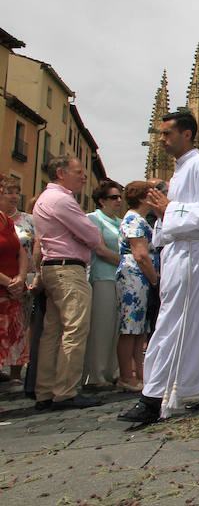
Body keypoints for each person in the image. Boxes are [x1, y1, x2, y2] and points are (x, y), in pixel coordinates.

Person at [118, 111, 199, 424]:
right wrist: (165, 212)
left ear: (186, 134)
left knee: (174, 321)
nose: (161, 139)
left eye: (167, 133)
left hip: (190, 253)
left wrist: (168, 209)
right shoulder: (179, 173)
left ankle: (152, 398)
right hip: (180, 251)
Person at [32, 156, 118, 410]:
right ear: (60, 173)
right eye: (78, 172)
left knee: (53, 333)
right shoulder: (61, 199)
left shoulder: (45, 198)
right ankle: (66, 391)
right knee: (74, 330)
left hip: (53, 268)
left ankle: (45, 391)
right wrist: (86, 237)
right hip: (68, 270)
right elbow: (92, 234)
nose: (83, 177)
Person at [115, 181, 160, 392]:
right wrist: (154, 278)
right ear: (143, 199)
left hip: (138, 276)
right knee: (130, 328)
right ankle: (126, 375)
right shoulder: (134, 219)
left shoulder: (138, 219)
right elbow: (140, 254)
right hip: (134, 276)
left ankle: (138, 373)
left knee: (139, 329)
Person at [83, 179, 124, 389]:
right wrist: (126, 262)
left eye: (119, 196)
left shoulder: (120, 221)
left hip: (119, 279)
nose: (118, 200)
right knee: (101, 326)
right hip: (102, 276)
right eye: (113, 197)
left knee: (116, 326)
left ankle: (112, 370)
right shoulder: (94, 218)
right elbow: (99, 249)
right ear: (101, 200)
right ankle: (96, 374)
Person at [0, 175, 29, 386]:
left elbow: (21, 251)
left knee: (12, 338)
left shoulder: (6, 220)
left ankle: (14, 377)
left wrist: (20, 277)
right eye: (6, 192)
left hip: (11, 290)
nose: (12, 196)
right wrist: (9, 283)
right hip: (5, 287)